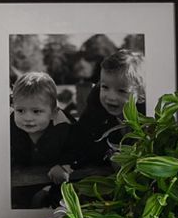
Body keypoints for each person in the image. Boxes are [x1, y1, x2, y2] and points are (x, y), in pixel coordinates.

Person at [59, 49, 145, 186]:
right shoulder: (96, 106)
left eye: (122, 91)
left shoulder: (147, 116)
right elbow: (80, 135)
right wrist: (66, 163)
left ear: (141, 94)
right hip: (103, 175)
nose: (110, 97)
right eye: (105, 87)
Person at [8, 69, 76, 208]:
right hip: (25, 177)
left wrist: (65, 165)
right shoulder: (10, 125)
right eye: (20, 110)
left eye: (36, 111)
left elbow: (79, 147)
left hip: (56, 179)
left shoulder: (63, 126)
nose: (27, 118)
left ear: (53, 113)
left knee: (61, 198)